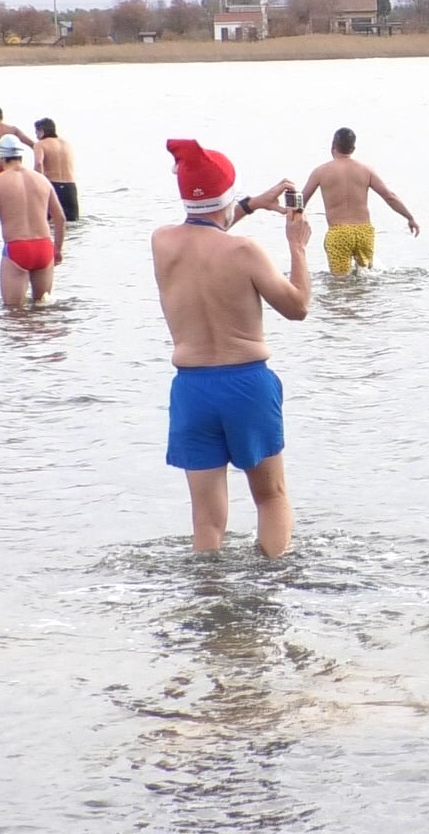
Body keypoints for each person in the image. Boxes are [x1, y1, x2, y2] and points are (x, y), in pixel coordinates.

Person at [154, 138, 306, 555]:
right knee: (271, 497)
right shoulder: (245, 251)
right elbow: (297, 307)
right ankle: (274, 580)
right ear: (227, 196)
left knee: (206, 520)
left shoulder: (161, 243)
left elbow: (205, 228)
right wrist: (297, 246)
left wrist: (251, 204)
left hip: (192, 390)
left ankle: (208, 587)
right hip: (246, 384)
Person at [0, 136, 67, 306]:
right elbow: (60, 218)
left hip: (18, 248)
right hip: (44, 247)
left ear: (0, 157)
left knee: (13, 313)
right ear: (21, 155)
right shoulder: (41, 179)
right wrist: (58, 249)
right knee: (42, 309)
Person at [300, 127, 419, 275]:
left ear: (333, 145)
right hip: (364, 232)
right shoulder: (366, 170)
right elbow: (389, 196)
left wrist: (291, 218)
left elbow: (301, 201)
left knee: (340, 281)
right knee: (366, 276)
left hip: (339, 233)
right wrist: (410, 217)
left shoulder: (320, 172)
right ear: (353, 148)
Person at [32, 117, 79, 221]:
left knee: (48, 223)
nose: (36, 136)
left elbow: (39, 164)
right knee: (72, 223)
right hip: (70, 187)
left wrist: (37, 185)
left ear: (41, 131)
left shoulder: (40, 144)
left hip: (53, 185)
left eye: (36, 133)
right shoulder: (66, 144)